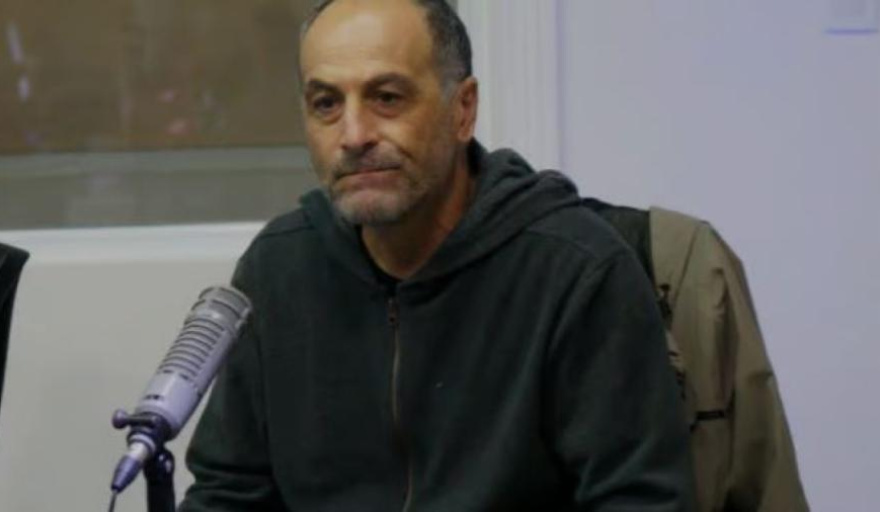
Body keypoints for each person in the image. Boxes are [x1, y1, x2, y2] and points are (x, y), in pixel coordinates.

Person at [179, 0, 694, 510]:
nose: (353, 136)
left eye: (386, 97)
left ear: (462, 110)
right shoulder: (278, 268)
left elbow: (640, 501)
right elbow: (227, 495)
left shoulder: (578, 272)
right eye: (326, 104)